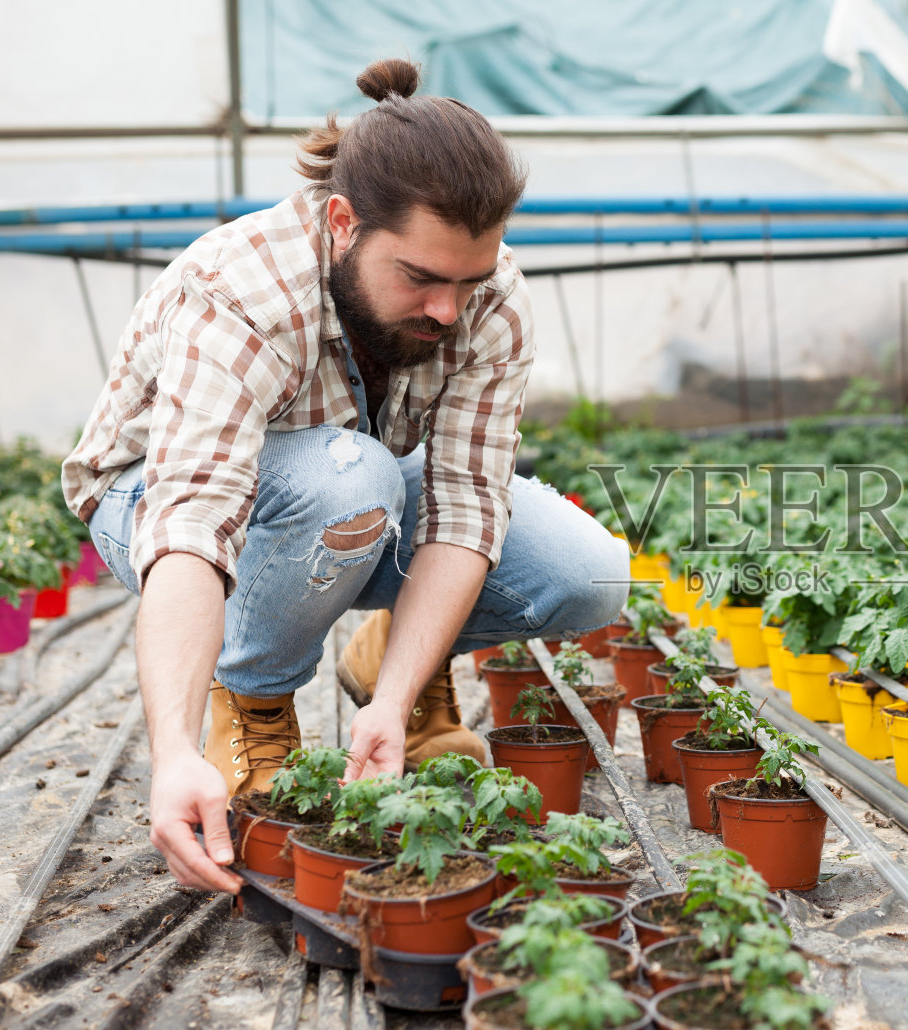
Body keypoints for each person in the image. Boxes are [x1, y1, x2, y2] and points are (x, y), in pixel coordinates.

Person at [60, 58, 627, 895]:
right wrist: (172, 751)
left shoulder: (490, 301)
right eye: (421, 278)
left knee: (593, 573)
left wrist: (392, 702)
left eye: (467, 280)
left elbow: (465, 505)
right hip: (150, 498)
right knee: (350, 475)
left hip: (353, 496)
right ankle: (251, 707)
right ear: (341, 223)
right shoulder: (242, 291)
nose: (448, 308)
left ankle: (396, 657)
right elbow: (191, 519)